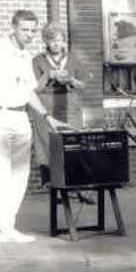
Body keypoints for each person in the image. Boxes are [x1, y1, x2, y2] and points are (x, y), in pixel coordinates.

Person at [0, 10, 70, 245]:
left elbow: (28, 92)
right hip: (0, 116)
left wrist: (47, 117)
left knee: (19, 175)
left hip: (21, 117)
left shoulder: (26, 56)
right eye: (24, 30)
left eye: (33, 30)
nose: (29, 34)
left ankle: (6, 226)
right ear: (13, 27)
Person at [32, 21, 91, 185]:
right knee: (48, 143)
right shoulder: (38, 60)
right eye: (52, 40)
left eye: (59, 40)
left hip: (70, 106)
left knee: (73, 141)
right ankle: (52, 182)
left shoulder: (73, 59)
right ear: (46, 41)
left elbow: (83, 84)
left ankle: (76, 184)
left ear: (64, 40)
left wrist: (70, 80)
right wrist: (48, 76)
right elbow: (34, 88)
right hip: (46, 107)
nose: (56, 44)